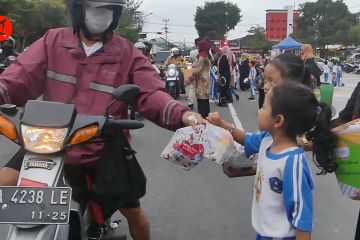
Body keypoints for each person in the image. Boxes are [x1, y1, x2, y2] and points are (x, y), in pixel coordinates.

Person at [0, 1, 205, 239]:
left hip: (101, 148)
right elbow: (19, 76)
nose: (102, 15)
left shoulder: (126, 53)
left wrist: (183, 114)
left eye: (109, 9)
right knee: (5, 181)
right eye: (96, 8)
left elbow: (151, 93)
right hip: (48, 145)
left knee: (134, 214)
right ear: (77, 9)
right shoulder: (52, 41)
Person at [207, 82, 338, 240]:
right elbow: (247, 140)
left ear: (278, 120)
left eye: (263, 107)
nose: (259, 111)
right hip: (265, 232)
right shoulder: (267, 140)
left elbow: (302, 219)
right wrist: (222, 124)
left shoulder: (293, 162)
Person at [189, 39, 211, 118]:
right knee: (205, 97)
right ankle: (206, 114)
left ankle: (203, 116)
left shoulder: (202, 56)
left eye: (198, 46)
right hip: (205, 77)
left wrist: (191, 70)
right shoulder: (206, 54)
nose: (197, 48)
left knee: (201, 97)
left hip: (202, 78)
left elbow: (198, 69)